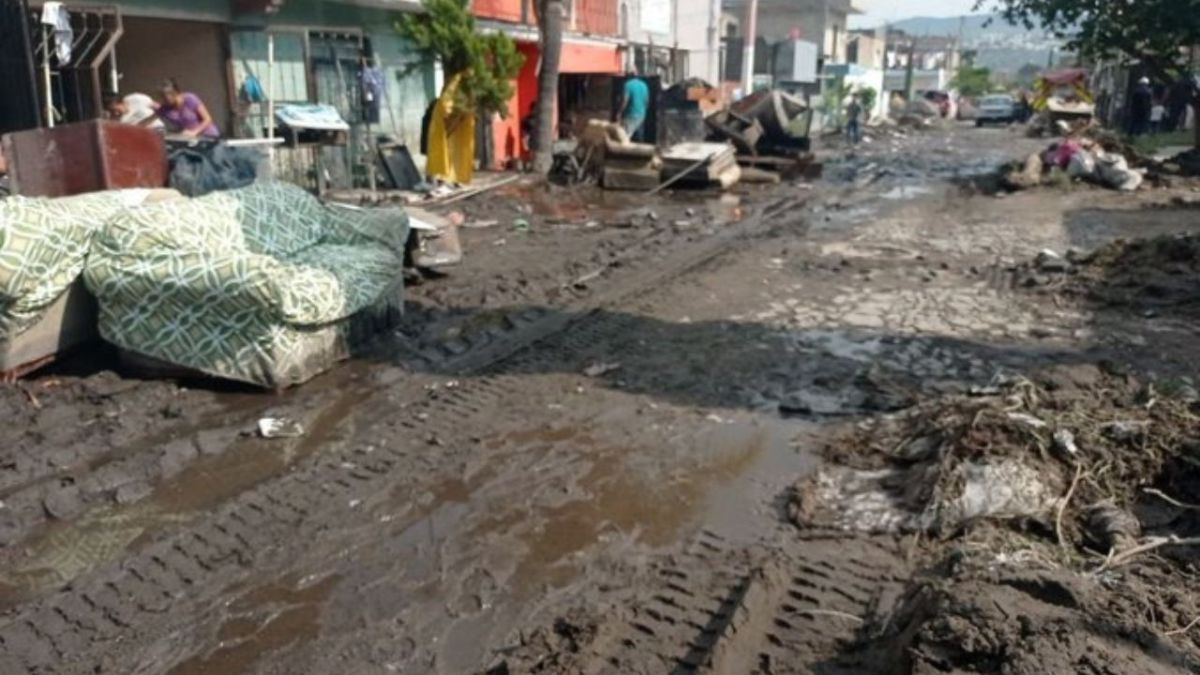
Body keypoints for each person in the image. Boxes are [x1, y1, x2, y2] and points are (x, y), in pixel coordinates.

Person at [155, 79, 220, 139]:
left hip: (208, 136)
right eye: (161, 97)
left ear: (174, 93)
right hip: (190, 140)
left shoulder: (190, 98)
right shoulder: (165, 108)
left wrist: (194, 132)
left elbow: (208, 119)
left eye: (164, 97)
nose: (163, 100)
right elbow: (149, 120)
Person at [616, 70, 650, 142]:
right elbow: (646, 101)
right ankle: (641, 151)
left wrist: (619, 112)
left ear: (628, 76)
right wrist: (643, 111)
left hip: (630, 114)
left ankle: (625, 152)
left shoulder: (628, 85)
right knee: (639, 136)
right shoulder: (644, 85)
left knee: (625, 136)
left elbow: (625, 101)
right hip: (641, 114)